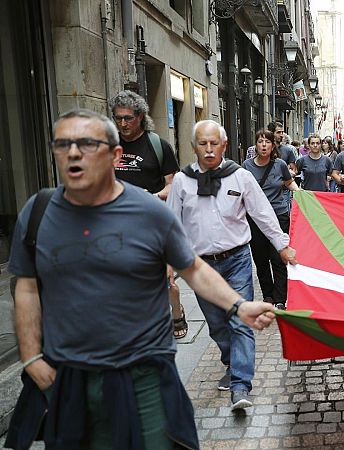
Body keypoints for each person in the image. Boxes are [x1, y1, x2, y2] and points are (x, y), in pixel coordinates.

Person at [5, 110, 277, 449]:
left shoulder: (148, 212)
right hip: (68, 378)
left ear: (115, 155)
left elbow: (193, 267)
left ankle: (240, 380)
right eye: (63, 144)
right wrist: (31, 358)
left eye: (87, 144)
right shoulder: (37, 212)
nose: (73, 153)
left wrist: (239, 305)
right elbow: (27, 288)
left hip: (144, 374)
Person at [167, 120, 297, 411]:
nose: (209, 149)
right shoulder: (182, 181)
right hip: (199, 266)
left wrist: (282, 245)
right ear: (194, 147)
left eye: (215, 143)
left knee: (239, 321)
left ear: (224, 146)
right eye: (203, 143)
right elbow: (172, 224)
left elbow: (263, 213)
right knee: (216, 324)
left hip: (237, 259)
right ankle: (230, 359)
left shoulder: (240, 177)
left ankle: (240, 385)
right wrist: (168, 264)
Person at [109, 90, 188, 339]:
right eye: (118, 118)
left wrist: (150, 196)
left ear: (140, 116)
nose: (123, 123)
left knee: (167, 280)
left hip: (152, 223)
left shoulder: (157, 145)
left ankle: (176, 313)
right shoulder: (108, 146)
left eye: (128, 118)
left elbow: (171, 185)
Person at [243, 129, 299, 311]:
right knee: (260, 259)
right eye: (260, 141)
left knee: (278, 258)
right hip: (255, 219)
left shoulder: (280, 165)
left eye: (267, 142)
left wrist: (304, 196)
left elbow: (290, 183)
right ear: (256, 145)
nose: (264, 145)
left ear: (273, 145)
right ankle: (268, 295)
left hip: (279, 216)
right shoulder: (246, 166)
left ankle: (280, 297)